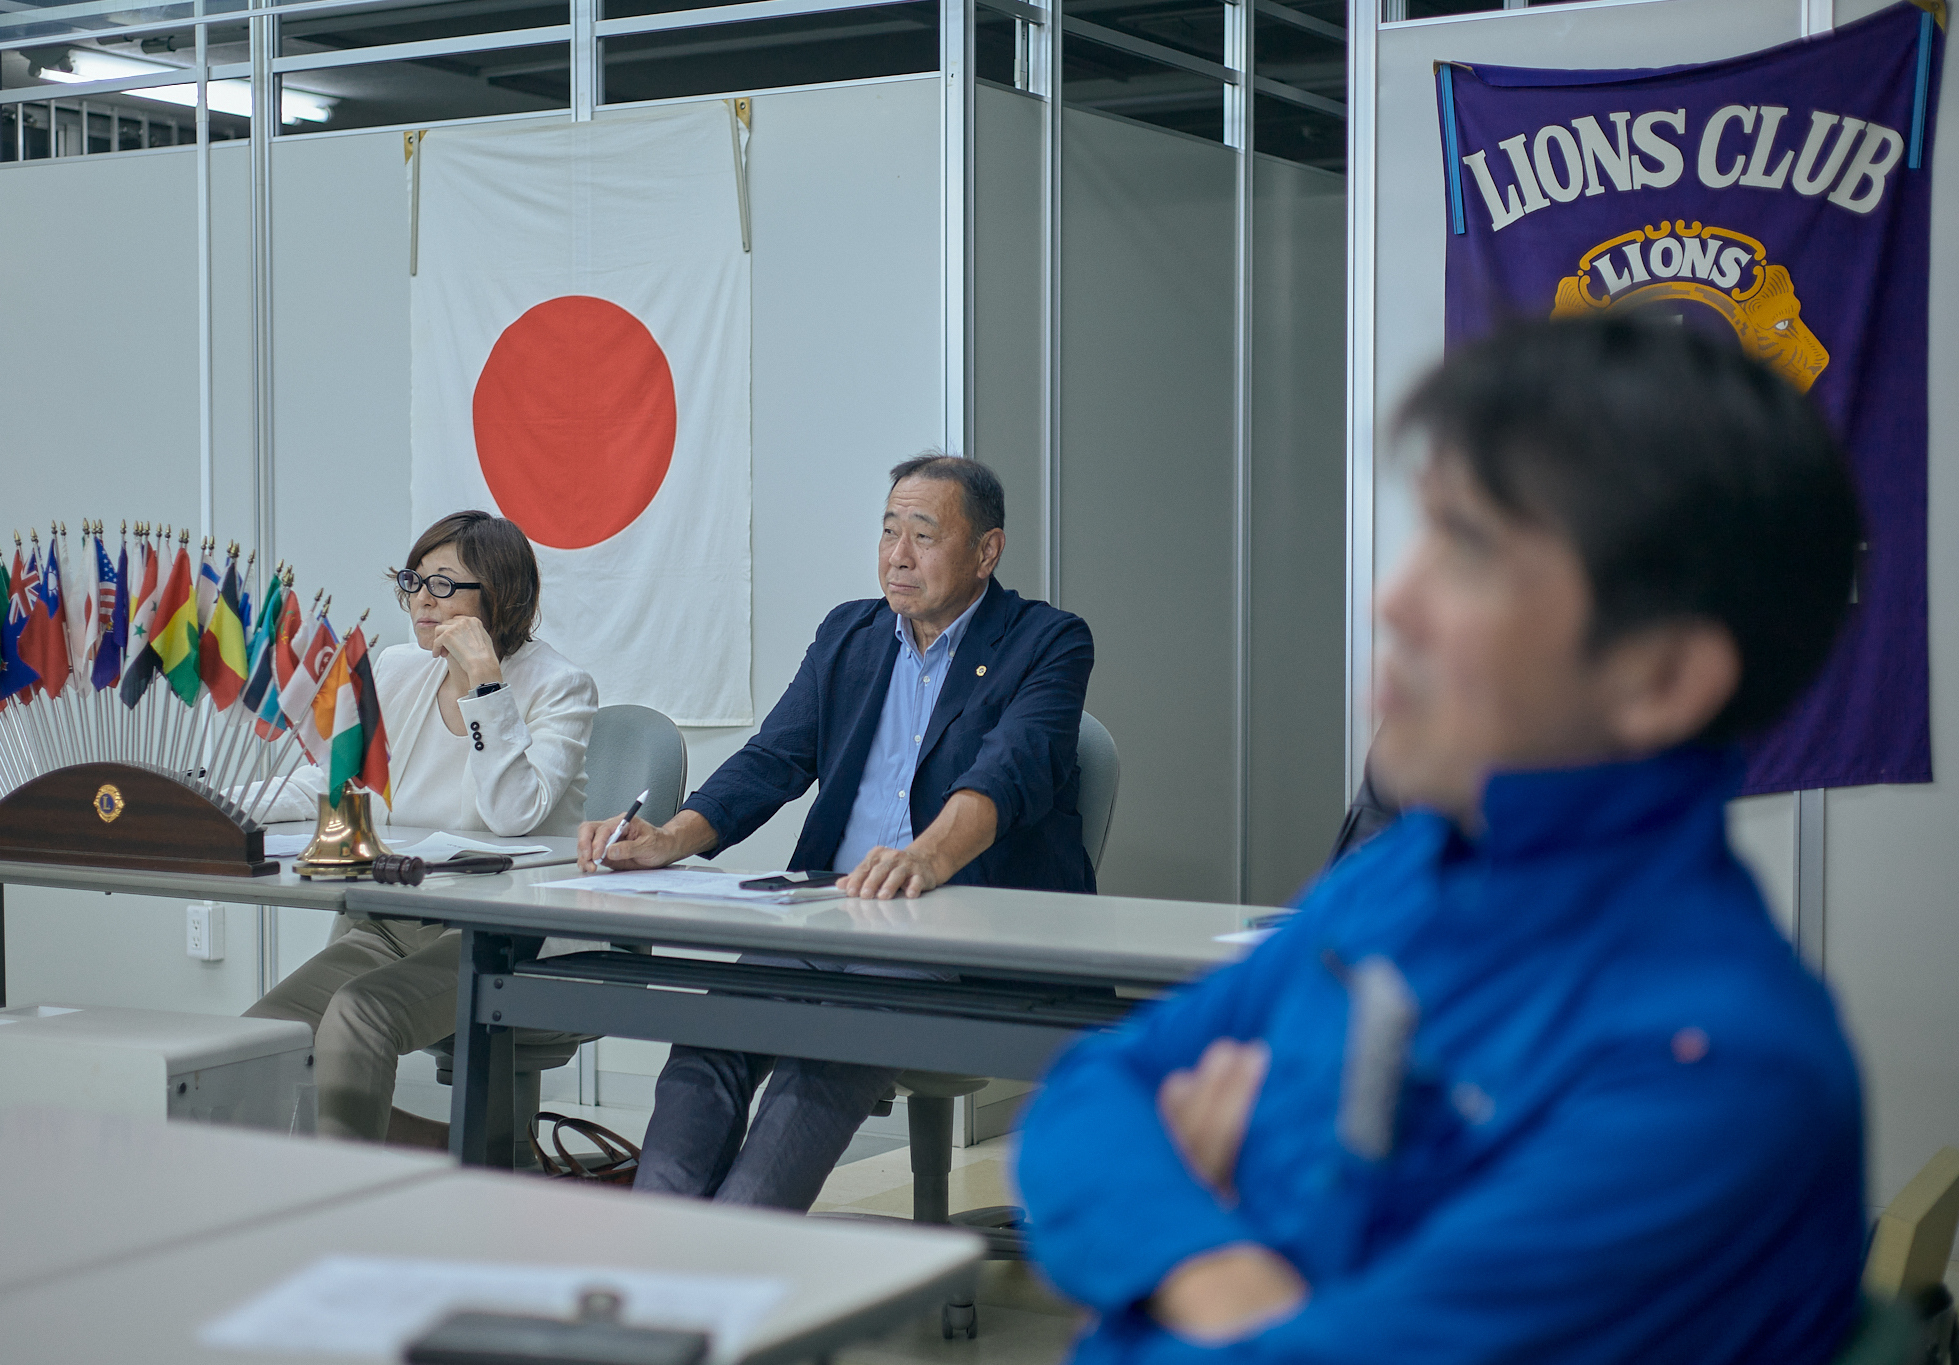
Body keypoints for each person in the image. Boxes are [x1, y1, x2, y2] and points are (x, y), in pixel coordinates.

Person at [1015, 316, 1867, 1363]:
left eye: (1469, 548)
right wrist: (1212, 1263)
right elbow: (1088, 1093)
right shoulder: (1407, 875)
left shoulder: (1710, 1075)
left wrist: (1136, 1284)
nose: (1394, 599)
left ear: (1659, 677)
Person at [581, 453, 1093, 1209]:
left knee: (823, 1054)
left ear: (987, 551)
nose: (898, 555)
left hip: (959, 930)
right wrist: (669, 838)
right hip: (829, 909)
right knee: (711, 1037)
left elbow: (1008, 771)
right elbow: (773, 759)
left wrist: (924, 858)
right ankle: (659, 1236)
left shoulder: (1046, 640)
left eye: (924, 535)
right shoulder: (851, 633)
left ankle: (737, 1244)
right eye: (888, 531)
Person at [246, 511, 597, 1146]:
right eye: (413, 582)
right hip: (395, 923)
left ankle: (350, 1195)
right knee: (258, 1036)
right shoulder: (400, 668)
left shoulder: (559, 687)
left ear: (500, 596)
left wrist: (484, 684)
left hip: (504, 937)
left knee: (358, 1015)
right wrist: (219, 803)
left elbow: (514, 813)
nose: (421, 602)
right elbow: (334, 780)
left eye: (442, 585)